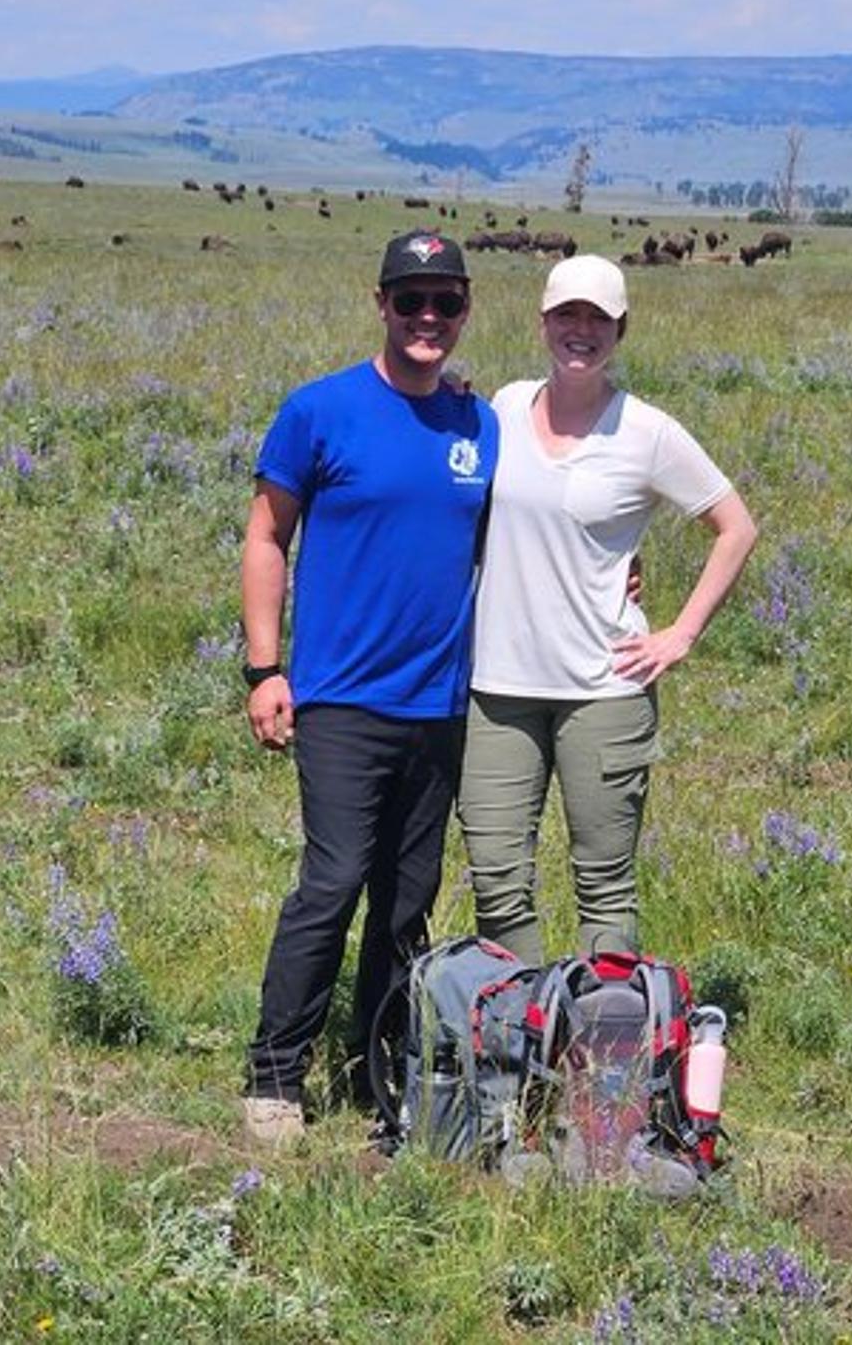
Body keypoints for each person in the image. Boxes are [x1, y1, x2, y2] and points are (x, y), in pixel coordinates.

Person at [239, 229, 498, 1144]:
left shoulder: (481, 423)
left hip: (441, 702)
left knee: (407, 896)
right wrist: (265, 668)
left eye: (446, 301)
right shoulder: (319, 411)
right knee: (335, 877)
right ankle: (274, 1076)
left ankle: (376, 1065)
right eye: (411, 299)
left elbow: (533, 528)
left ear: (465, 310)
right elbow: (266, 535)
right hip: (341, 697)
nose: (428, 318)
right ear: (380, 304)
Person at [458, 254, 757, 966]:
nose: (581, 331)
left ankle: (603, 1063)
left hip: (605, 688)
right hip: (497, 688)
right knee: (498, 881)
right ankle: (520, 1041)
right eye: (568, 315)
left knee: (604, 888)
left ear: (621, 330)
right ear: (543, 323)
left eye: (598, 318)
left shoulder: (646, 431)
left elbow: (735, 526)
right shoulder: (501, 406)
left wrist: (679, 634)